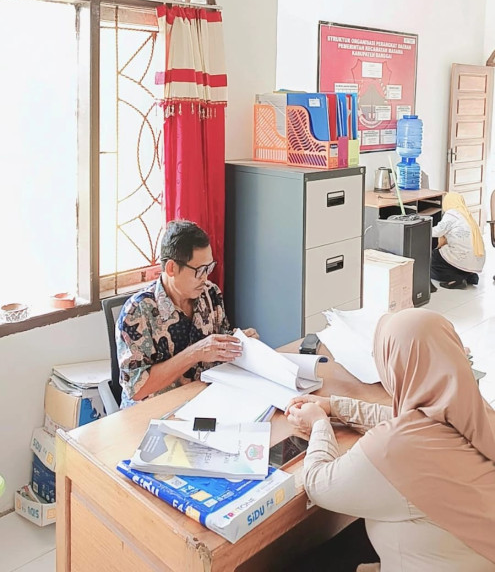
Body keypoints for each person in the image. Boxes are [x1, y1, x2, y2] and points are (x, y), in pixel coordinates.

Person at [285, 308, 495, 572]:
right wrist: (336, 407)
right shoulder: (473, 413)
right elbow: (408, 422)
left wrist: (318, 423)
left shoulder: (395, 447)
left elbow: (318, 484)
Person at [116, 219, 258, 407]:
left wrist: (238, 342)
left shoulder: (210, 293)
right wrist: (195, 353)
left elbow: (217, 345)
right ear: (171, 268)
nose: (205, 278)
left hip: (204, 401)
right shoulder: (137, 312)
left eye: (209, 268)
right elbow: (136, 389)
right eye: (199, 270)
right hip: (154, 412)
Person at [430, 192, 485, 290]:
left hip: (462, 257)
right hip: (476, 261)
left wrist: (421, 228)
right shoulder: (467, 214)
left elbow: (437, 232)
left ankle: (456, 279)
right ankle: (469, 276)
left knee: (432, 259)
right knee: (446, 254)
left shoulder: (451, 214)